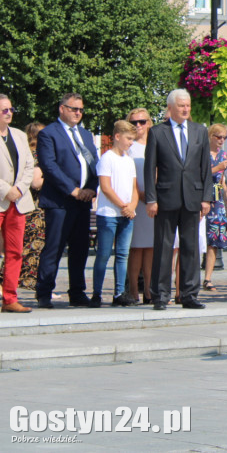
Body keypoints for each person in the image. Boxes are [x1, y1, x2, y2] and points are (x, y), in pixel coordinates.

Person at [144, 89, 213, 311]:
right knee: (163, 247)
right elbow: (149, 168)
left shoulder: (199, 131)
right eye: (181, 106)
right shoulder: (157, 132)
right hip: (166, 197)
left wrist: (206, 198)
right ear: (171, 108)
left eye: (188, 105)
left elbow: (205, 167)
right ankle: (160, 295)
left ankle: (189, 294)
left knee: (191, 248)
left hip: (192, 197)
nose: (185, 109)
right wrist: (151, 199)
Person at [35, 92, 99, 309]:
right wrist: (72, 190)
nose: (78, 113)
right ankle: (44, 292)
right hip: (60, 201)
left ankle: (77, 292)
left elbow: (94, 164)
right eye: (74, 109)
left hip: (83, 201)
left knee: (80, 249)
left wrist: (91, 188)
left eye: (81, 109)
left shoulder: (86, 134)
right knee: (54, 247)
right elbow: (49, 166)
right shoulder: (49, 134)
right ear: (62, 109)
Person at [92, 120, 139, 307]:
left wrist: (132, 206)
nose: (130, 143)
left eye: (132, 139)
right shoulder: (107, 158)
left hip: (126, 214)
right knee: (103, 254)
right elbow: (106, 187)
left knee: (122, 254)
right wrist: (122, 205)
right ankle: (96, 292)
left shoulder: (129, 160)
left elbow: (134, 187)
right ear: (117, 137)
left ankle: (119, 292)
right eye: (128, 138)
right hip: (108, 213)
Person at [0, 95, 36, 313]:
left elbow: (29, 166)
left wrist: (20, 188)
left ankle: (10, 298)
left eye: (11, 109)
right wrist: (7, 190)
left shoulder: (20, 136)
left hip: (19, 201)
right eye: (4, 110)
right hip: (2, 198)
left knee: (15, 251)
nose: (9, 113)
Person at [125, 108, 154, 304]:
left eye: (142, 122)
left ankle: (150, 291)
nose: (138, 126)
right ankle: (133, 290)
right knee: (136, 248)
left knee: (151, 248)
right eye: (134, 122)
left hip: (152, 202)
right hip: (135, 200)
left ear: (149, 123)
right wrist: (139, 194)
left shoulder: (154, 144)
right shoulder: (129, 147)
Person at [13, 121, 45, 294]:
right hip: (36, 210)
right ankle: (29, 283)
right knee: (33, 248)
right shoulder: (37, 155)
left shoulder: (25, 153)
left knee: (26, 247)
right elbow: (36, 182)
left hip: (27, 208)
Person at [202, 123, 227, 292]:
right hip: (203, 196)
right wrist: (217, 168)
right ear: (210, 136)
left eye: (224, 137)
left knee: (213, 241)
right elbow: (199, 173)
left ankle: (208, 278)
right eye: (218, 137)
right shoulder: (202, 152)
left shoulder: (224, 154)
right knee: (199, 239)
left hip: (217, 198)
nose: (221, 140)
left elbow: (222, 178)